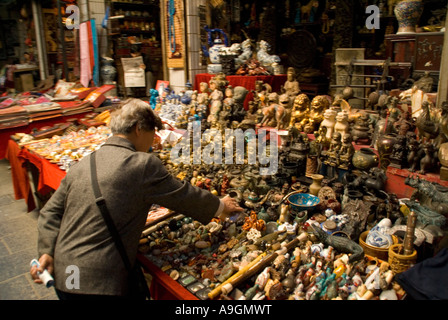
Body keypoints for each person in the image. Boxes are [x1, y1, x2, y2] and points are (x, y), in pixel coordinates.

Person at [30, 99, 243, 300]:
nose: (153, 141)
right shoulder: (140, 164)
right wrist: (220, 206)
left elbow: (51, 212)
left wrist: (46, 251)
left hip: (65, 272)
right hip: (99, 280)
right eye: (153, 133)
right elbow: (183, 195)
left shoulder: (84, 163)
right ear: (139, 129)